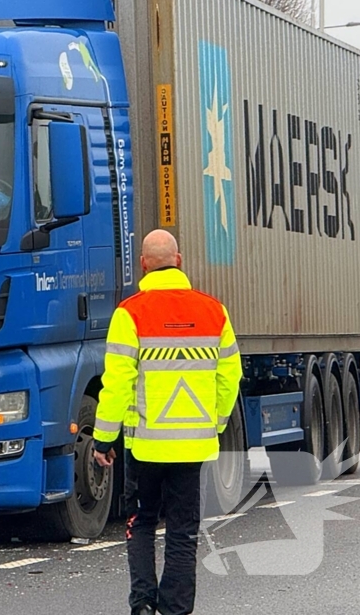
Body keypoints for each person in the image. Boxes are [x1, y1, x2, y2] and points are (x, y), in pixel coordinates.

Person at [92, 229, 242, 615]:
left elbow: (117, 384)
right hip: (193, 445)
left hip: (144, 447)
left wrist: (103, 440)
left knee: (140, 522)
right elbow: (230, 378)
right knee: (183, 530)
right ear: (179, 260)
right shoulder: (214, 311)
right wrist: (217, 422)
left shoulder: (129, 314)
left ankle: (142, 602)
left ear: (143, 264)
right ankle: (176, 608)